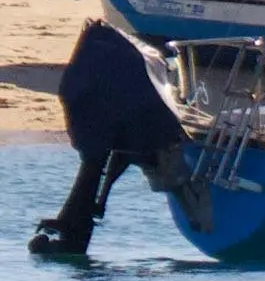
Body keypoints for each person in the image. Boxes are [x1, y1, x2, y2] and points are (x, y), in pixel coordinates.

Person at [31, 17, 187, 262]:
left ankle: (75, 224)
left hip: (121, 117)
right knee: (98, 163)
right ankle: (76, 222)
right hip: (126, 116)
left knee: (96, 163)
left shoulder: (96, 92)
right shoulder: (112, 92)